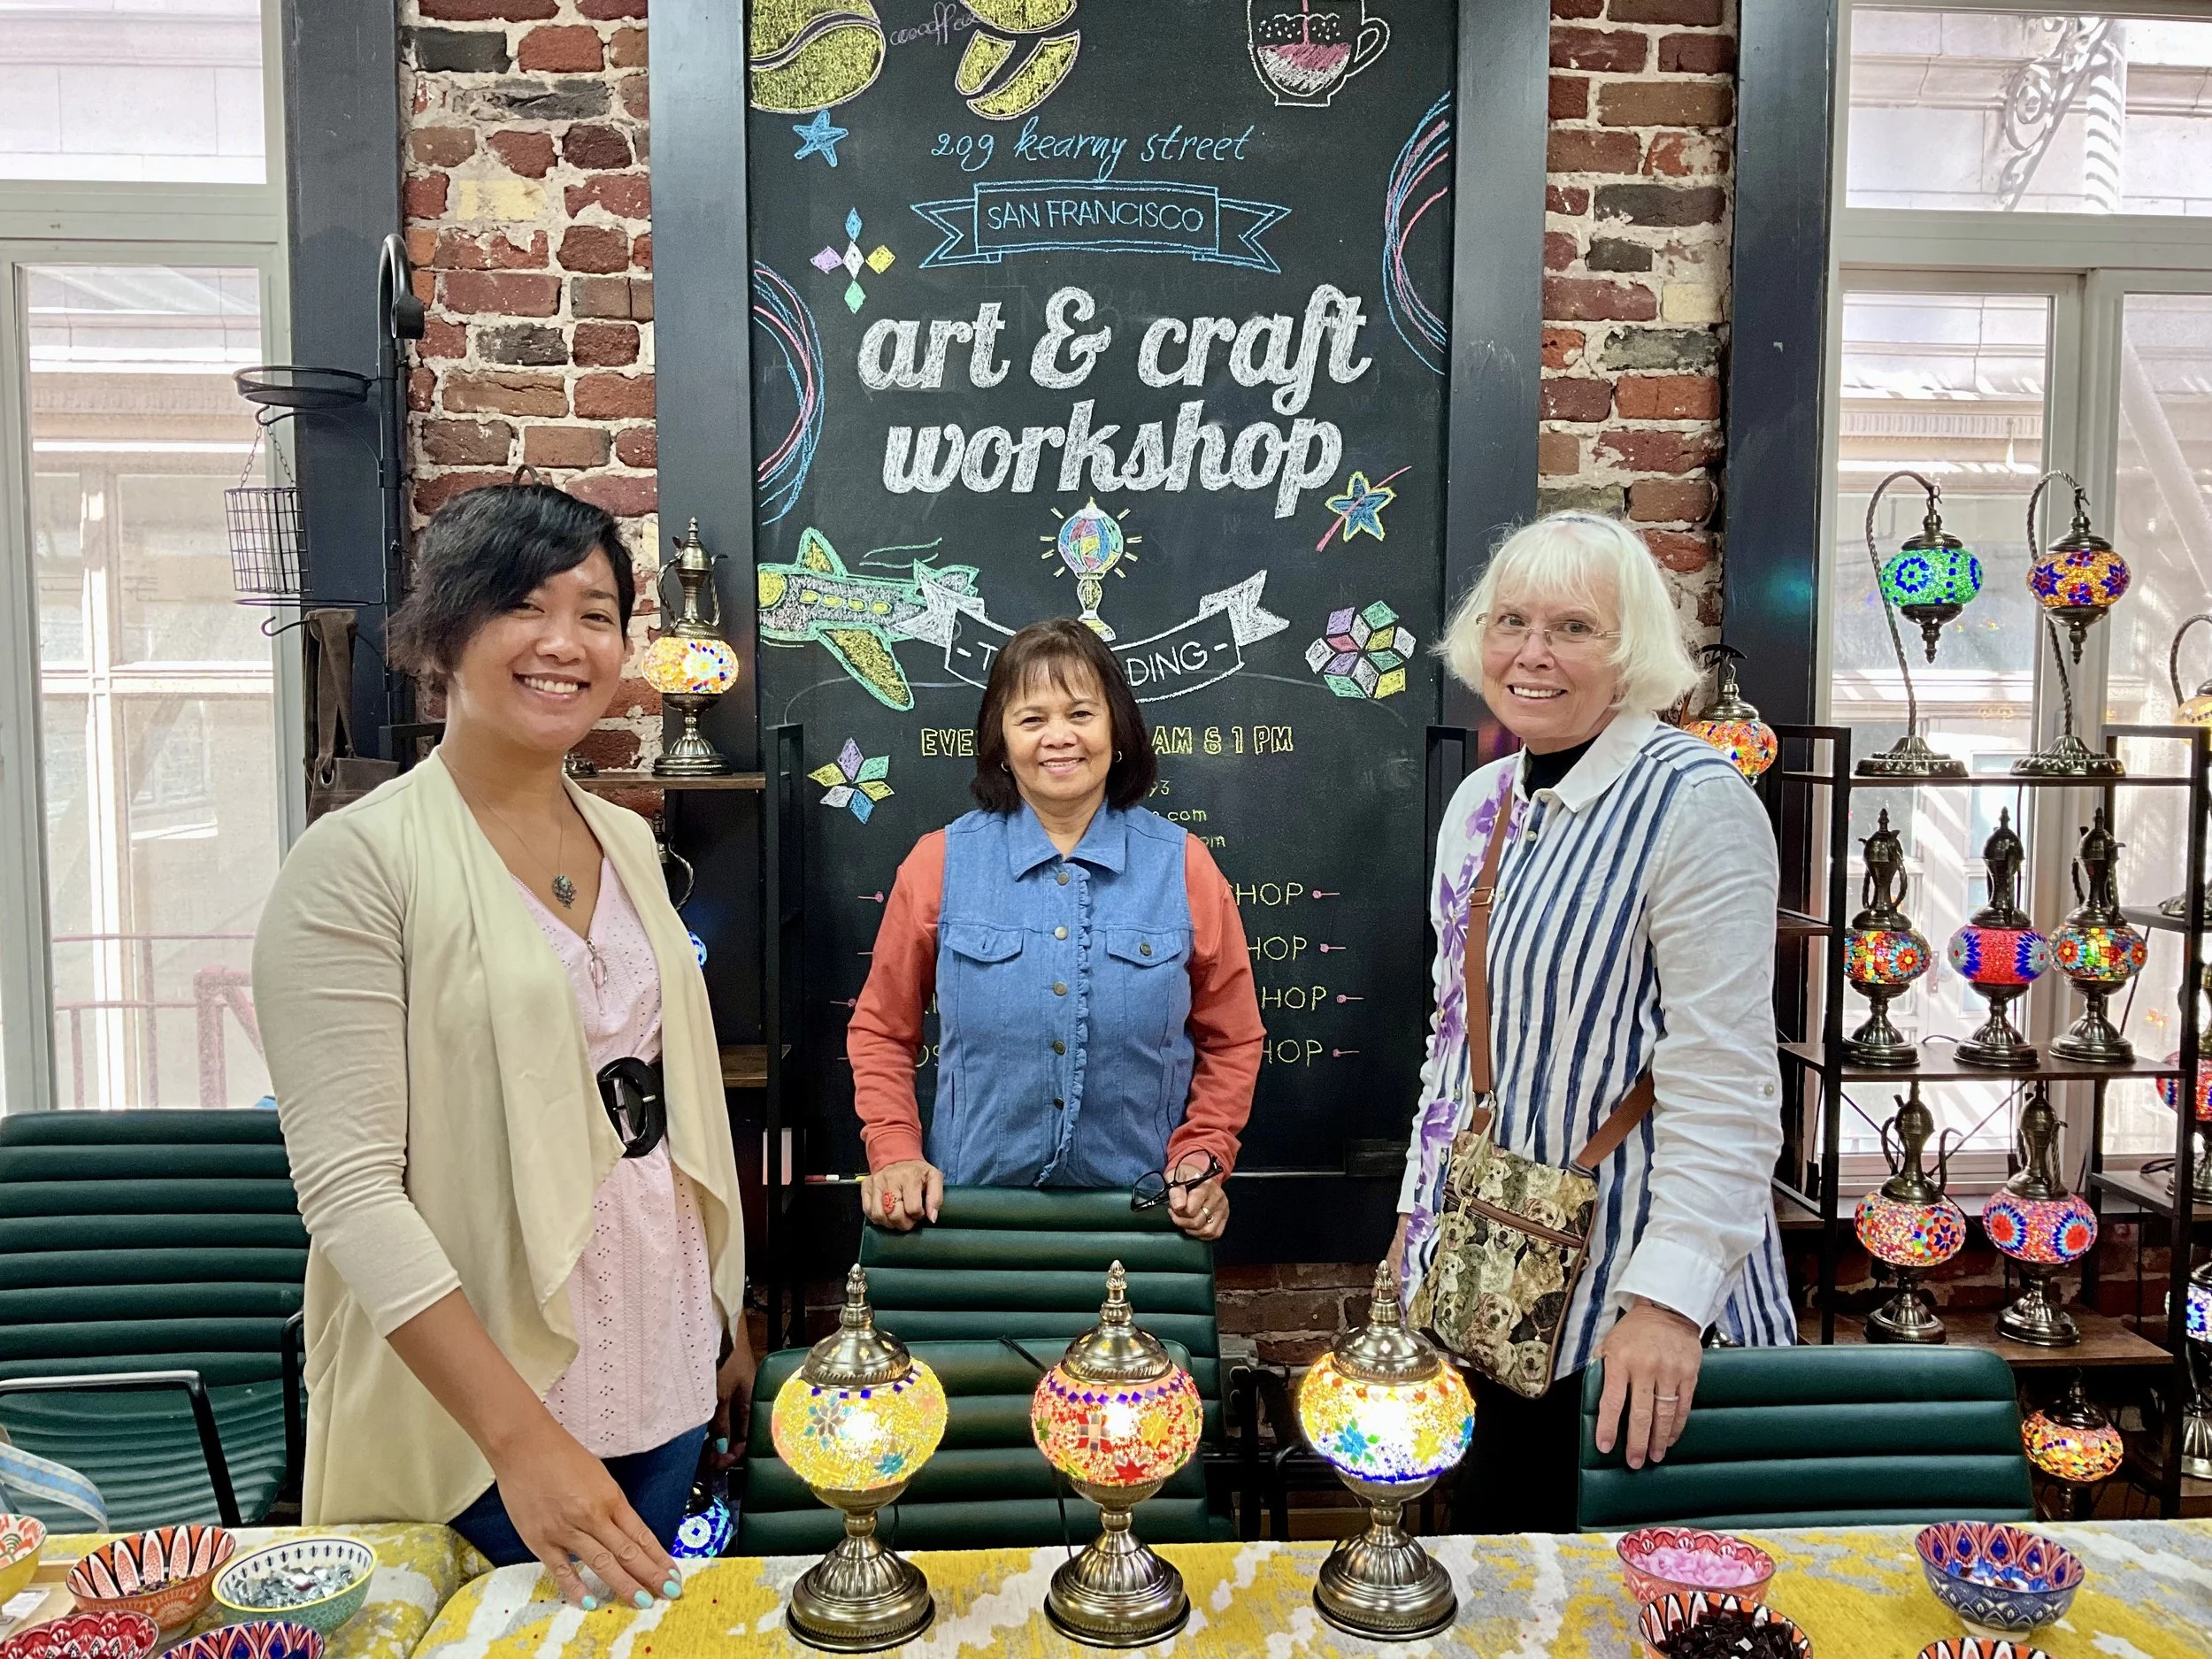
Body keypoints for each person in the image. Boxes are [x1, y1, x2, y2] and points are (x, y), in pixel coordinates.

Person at [252, 484, 752, 1606]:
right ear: (446, 628)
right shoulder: (357, 866)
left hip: (661, 1376)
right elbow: (349, 1195)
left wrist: (722, 1309)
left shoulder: (623, 837)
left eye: (598, 612)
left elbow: (665, 1107)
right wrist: (525, 1442)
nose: (566, 644)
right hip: (487, 1431)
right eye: (525, 606)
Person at [1389, 511, 1794, 1533]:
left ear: (1631, 654)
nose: (1532, 654)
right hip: (1491, 1284)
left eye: (1572, 627)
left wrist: (1669, 1302)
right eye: (1510, 621)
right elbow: (1454, 1046)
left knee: (1641, 1603)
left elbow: (1727, 1077)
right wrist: (1414, 1223)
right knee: (1500, 1578)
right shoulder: (1482, 803)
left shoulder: (1697, 804)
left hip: (1632, 1311)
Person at [847, 618, 1265, 1239]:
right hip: (967, 1219)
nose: (1059, 737)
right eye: (1032, 718)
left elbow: (1233, 1039)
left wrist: (1203, 1155)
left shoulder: (1185, 866)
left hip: (1144, 1220)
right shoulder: (938, 864)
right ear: (1001, 740)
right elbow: (882, 1029)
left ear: (1115, 729)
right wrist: (895, 1150)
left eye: (1080, 713)